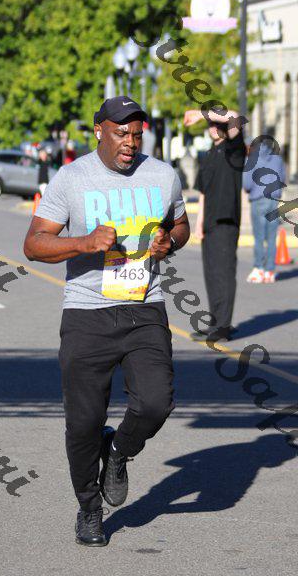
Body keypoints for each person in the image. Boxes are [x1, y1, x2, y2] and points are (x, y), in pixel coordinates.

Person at [24, 95, 190, 547]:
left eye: (137, 135)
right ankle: (89, 509)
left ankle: (117, 451)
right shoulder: (71, 178)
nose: (130, 143)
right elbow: (34, 244)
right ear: (99, 131)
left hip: (144, 305)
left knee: (155, 403)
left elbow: (180, 225)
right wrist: (83, 243)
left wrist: (168, 242)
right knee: (83, 424)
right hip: (86, 311)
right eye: (121, 134)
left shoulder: (163, 175)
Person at [184, 108, 246, 342]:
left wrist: (201, 114)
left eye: (216, 123)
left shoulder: (234, 149)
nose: (212, 127)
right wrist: (198, 223)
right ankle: (215, 323)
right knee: (211, 275)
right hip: (209, 222)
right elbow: (203, 192)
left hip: (225, 221)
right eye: (210, 124)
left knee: (223, 274)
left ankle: (222, 327)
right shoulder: (210, 153)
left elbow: (234, 117)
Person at [243, 136, 286, 284]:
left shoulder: (251, 159)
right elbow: (283, 178)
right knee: (272, 238)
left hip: (258, 200)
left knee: (259, 237)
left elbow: (247, 184)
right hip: (273, 200)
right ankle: (270, 271)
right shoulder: (277, 159)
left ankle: (259, 268)